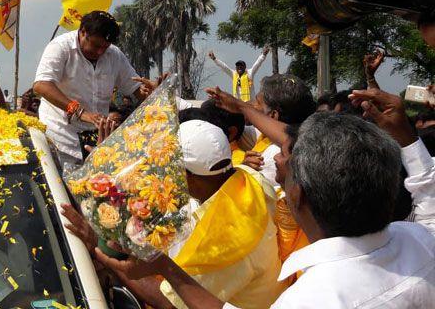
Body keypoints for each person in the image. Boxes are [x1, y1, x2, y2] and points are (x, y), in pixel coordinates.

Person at [94, 86, 435, 308]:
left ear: (297, 195)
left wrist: (156, 267)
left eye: (287, 157)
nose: (277, 157)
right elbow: (428, 202)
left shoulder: (315, 298)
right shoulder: (420, 241)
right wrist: (407, 138)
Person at [62, 120, 285, 309]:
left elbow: (168, 301)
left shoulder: (222, 241)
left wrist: (98, 249)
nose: (163, 171)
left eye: (168, 164)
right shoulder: (246, 177)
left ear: (184, 175)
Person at [33, 10, 148, 166]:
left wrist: (152, 90)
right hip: (60, 137)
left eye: (105, 47)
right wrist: (79, 111)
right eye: (95, 45)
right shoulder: (60, 47)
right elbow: (41, 85)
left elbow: (136, 88)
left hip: (98, 140)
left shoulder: (114, 55)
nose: (100, 52)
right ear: (82, 32)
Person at [236, 74, 316, 188]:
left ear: (273, 115)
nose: (251, 104)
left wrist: (242, 170)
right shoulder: (269, 137)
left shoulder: (273, 158)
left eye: (258, 102)